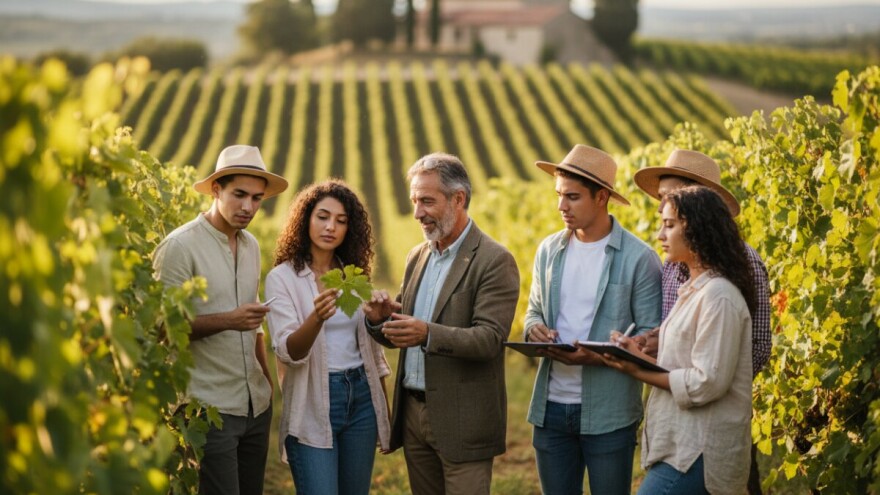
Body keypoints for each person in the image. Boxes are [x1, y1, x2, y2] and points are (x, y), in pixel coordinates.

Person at [363, 152, 519, 495]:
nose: (418, 212)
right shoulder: (417, 256)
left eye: (427, 201)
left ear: (458, 199)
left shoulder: (494, 260)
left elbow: (490, 339)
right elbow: (405, 328)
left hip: (464, 422)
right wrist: (380, 320)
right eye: (414, 201)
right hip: (414, 416)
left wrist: (428, 333)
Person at [523, 144, 663, 494]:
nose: (561, 206)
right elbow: (534, 311)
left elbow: (651, 337)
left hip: (610, 413)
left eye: (572, 197)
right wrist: (533, 328)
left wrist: (597, 356)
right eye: (559, 195)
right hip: (551, 409)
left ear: (601, 197)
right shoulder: (548, 251)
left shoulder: (639, 259)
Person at [632, 149, 771, 493]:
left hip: (703, 436)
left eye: (670, 207)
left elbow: (734, 358)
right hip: (679, 428)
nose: (660, 229)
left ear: (698, 214)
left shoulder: (728, 283)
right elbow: (680, 333)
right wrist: (649, 344)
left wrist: (647, 371)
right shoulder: (681, 271)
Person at [152, 144, 288, 495]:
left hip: (254, 406)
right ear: (216, 189)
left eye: (257, 198)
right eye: (239, 194)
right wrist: (229, 319)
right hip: (207, 408)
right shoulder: (179, 247)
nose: (248, 207)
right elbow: (164, 329)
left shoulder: (252, 246)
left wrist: (267, 383)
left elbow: (254, 321)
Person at [603, 185, 755, 495]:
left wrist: (637, 371)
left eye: (670, 225)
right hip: (682, 445)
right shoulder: (696, 290)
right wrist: (634, 355)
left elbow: (706, 382)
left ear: (698, 229)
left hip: (699, 451)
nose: (660, 235)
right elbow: (681, 365)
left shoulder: (719, 297)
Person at [264, 179, 392, 495]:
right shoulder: (282, 278)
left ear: (351, 229)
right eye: (323, 216)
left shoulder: (352, 275)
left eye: (341, 221)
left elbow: (371, 351)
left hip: (361, 396)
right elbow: (287, 351)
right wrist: (316, 318)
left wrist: (377, 321)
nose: (330, 227)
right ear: (306, 218)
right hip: (313, 401)